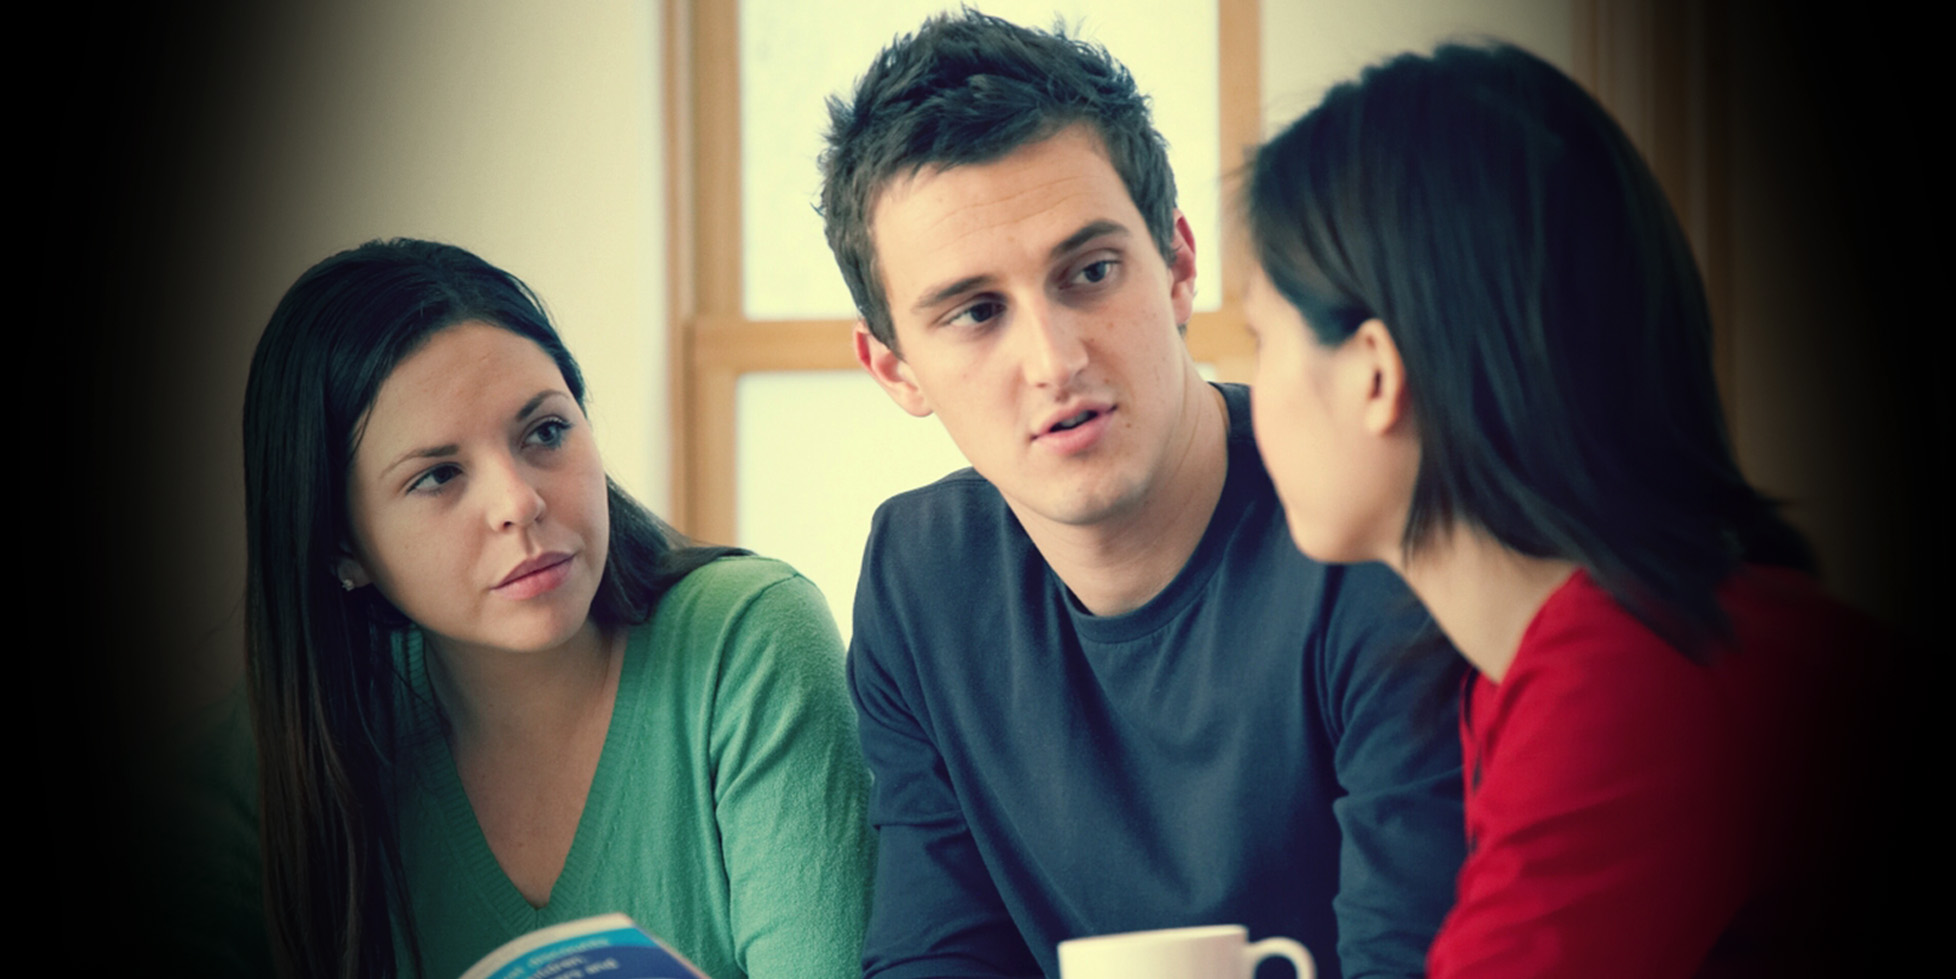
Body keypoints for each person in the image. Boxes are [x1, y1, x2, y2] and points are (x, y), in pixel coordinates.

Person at [818, 11, 1466, 978]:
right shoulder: (922, 573)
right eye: (977, 312)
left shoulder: (1361, 526)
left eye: (1091, 272)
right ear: (894, 369)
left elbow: (1415, 955)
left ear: (1178, 266)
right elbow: (936, 953)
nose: (1056, 359)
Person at [1240, 42, 1879, 978]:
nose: (1247, 392)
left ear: (1376, 374)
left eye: (1261, 339)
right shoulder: (1551, 667)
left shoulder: (1628, 681)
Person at [220, 238, 874, 978]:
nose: (520, 501)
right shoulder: (292, 735)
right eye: (438, 476)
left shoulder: (747, 643)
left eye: (546, 432)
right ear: (341, 546)